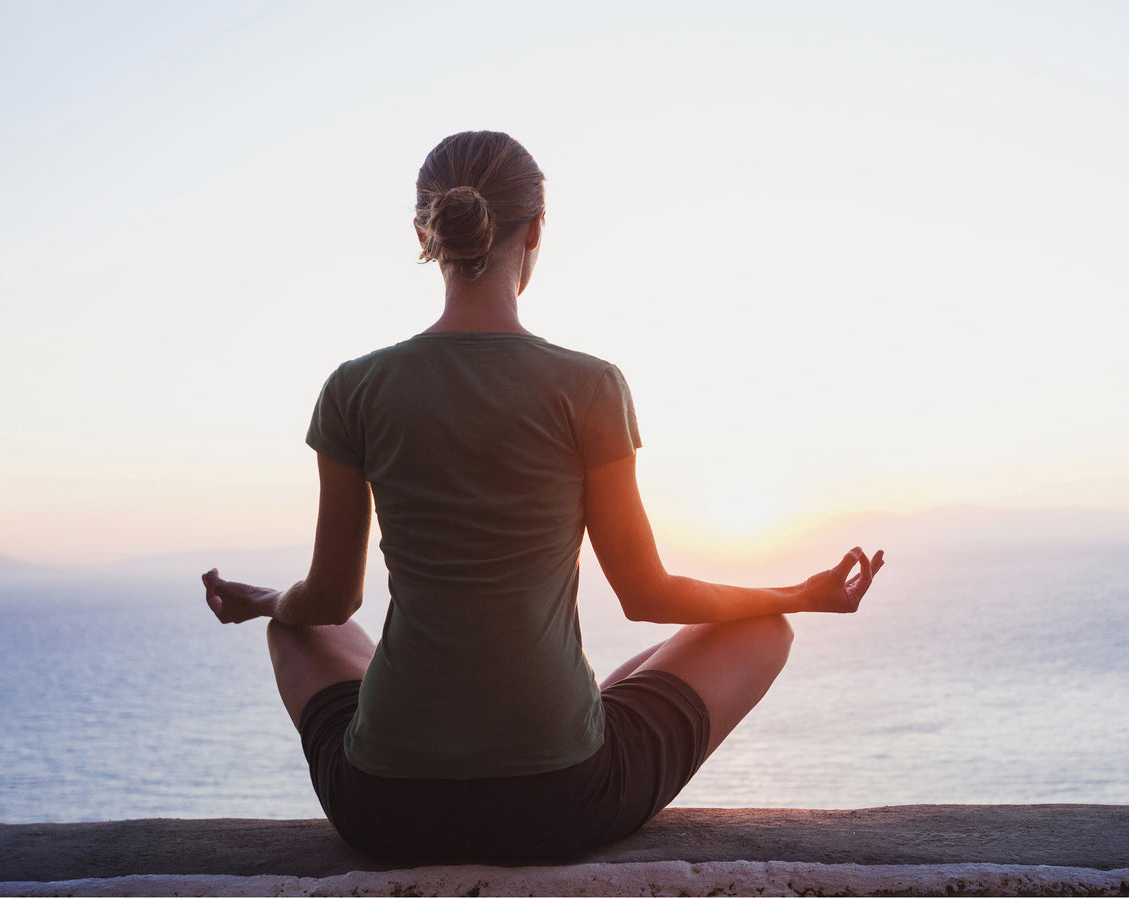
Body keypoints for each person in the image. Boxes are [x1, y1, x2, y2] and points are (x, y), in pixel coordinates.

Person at [201, 130, 885, 862]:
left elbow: (331, 602)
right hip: (558, 802)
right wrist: (798, 593)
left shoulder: (354, 387)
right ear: (537, 230)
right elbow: (647, 594)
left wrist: (266, 602)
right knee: (765, 628)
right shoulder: (588, 386)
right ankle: (577, 711)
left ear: (422, 234)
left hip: (385, 806)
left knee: (295, 624)